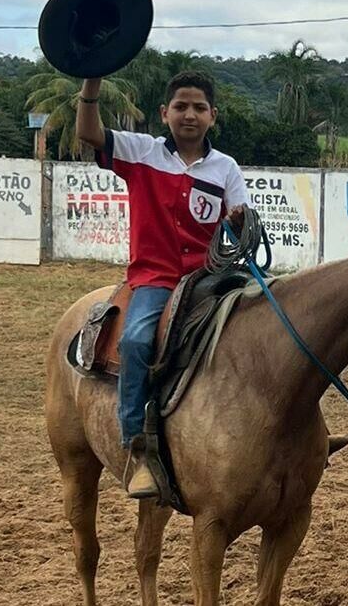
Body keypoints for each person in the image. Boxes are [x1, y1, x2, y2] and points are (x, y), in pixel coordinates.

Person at [76, 71, 249, 498]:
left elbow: (244, 217)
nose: (190, 115)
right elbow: (88, 131)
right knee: (136, 341)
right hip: (155, 279)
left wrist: (241, 222)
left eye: (199, 108)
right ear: (164, 113)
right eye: (181, 107)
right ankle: (137, 448)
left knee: (275, 323)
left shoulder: (225, 168)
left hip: (211, 277)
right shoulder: (140, 152)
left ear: (213, 116)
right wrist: (92, 82)